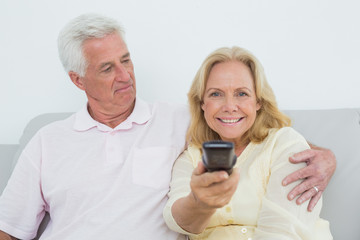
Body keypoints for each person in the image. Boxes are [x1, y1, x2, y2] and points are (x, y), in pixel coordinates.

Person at [0, 14, 334, 240]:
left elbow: (253, 132)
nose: (125, 75)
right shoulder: (47, 141)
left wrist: (326, 156)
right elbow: (10, 229)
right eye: (107, 68)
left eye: (126, 60)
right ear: (77, 80)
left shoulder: (180, 120)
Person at [163, 46, 333, 239]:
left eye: (241, 93)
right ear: (202, 103)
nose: (229, 107)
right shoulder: (191, 158)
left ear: (258, 101)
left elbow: (282, 232)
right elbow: (177, 220)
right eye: (216, 94)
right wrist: (200, 203)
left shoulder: (285, 143)